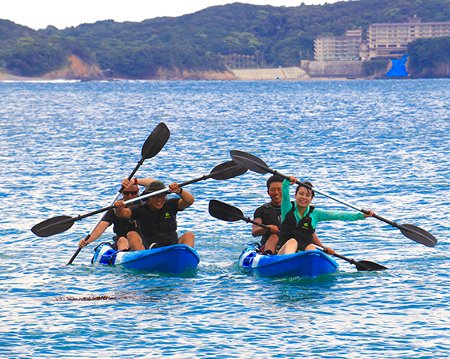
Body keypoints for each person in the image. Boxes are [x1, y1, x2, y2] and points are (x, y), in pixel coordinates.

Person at [277, 176, 375, 255]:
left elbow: (339, 215)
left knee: (311, 247)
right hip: (284, 250)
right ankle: (288, 265)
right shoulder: (287, 208)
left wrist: (362, 215)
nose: (304, 197)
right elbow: (285, 193)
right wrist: (287, 181)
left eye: (308, 195)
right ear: (295, 195)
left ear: (311, 199)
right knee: (292, 242)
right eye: (301, 194)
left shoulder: (315, 213)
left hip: (302, 250)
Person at [252, 175, 323, 255]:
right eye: (272, 190)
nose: (276, 193)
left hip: (292, 245)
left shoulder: (294, 209)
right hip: (270, 246)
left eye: (279, 189)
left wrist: (323, 248)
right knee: (274, 236)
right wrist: (268, 228)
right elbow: (255, 231)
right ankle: (268, 255)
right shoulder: (261, 210)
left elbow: (309, 231)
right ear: (268, 192)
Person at [114, 180, 195, 249]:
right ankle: (143, 260)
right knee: (131, 234)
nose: (159, 200)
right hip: (149, 248)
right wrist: (119, 208)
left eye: (162, 196)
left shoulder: (171, 204)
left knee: (189, 235)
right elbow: (123, 213)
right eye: (155, 197)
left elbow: (189, 201)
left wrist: (179, 190)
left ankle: (184, 259)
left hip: (171, 246)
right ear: (149, 198)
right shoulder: (141, 209)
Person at [78, 177, 152, 251]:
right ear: (122, 192)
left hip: (142, 241)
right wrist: (87, 241)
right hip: (122, 243)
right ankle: (124, 255)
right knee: (122, 240)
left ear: (138, 191)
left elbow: (155, 184)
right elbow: (100, 229)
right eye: (126, 193)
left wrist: (135, 181)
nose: (130, 196)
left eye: (133, 193)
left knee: (133, 236)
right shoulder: (115, 208)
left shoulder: (143, 201)